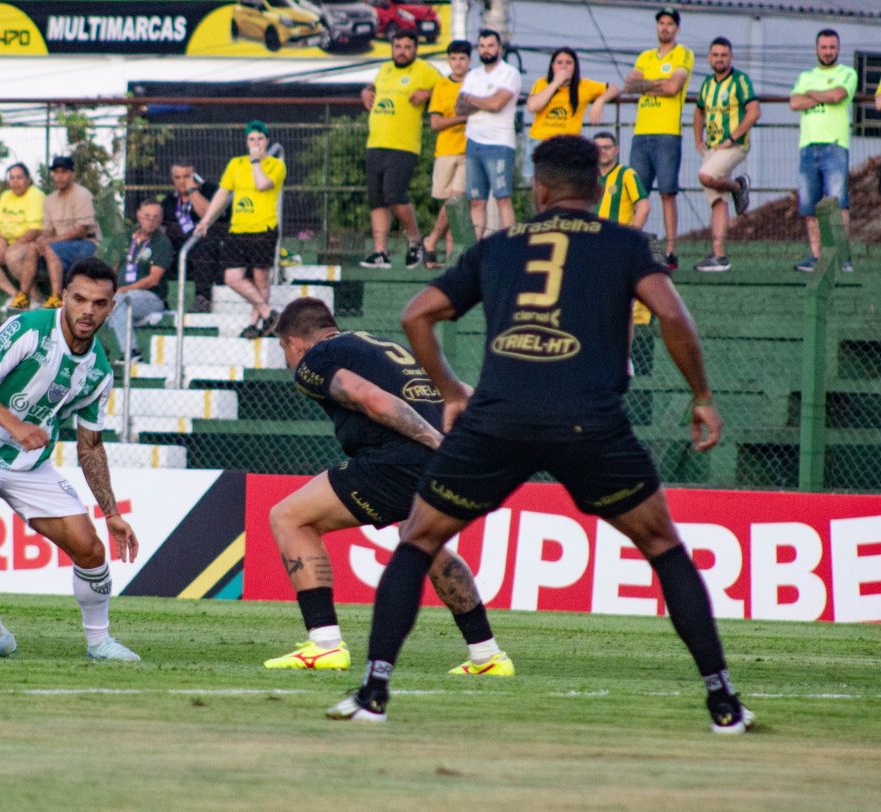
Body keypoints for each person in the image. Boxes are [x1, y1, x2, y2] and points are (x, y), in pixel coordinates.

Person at [328, 135, 755, 737]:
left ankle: (374, 692)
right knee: (662, 544)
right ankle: (724, 703)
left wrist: (452, 392)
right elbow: (673, 316)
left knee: (419, 539)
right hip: (589, 422)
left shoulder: (499, 245)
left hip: (497, 419)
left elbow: (416, 314)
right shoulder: (625, 243)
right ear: (599, 189)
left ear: (541, 188)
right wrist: (703, 398)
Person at [267, 297, 514, 677]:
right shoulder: (380, 346)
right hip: (441, 462)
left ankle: (325, 644)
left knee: (289, 517)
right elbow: (460, 390)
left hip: (401, 459)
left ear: (293, 342)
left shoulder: (316, 359)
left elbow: (372, 400)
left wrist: (434, 441)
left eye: (284, 350)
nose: (288, 360)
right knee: (421, 540)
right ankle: (487, 655)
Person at [0, 256, 141, 662]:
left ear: (111, 307)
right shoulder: (27, 328)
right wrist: (16, 426)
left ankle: (99, 642)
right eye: (79, 299)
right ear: (64, 296)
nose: (87, 311)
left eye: (99, 303)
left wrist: (111, 512)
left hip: (29, 466)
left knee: (90, 549)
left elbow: (91, 446)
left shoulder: (99, 371)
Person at [194, 120, 285, 338]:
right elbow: (222, 194)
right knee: (232, 277)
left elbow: (263, 184)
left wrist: (256, 161)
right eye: (252, 139)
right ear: (246, 141)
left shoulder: (276, 165)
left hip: (263, 227)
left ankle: (255, 324)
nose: (256, 143)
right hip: (238, 229)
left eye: (260, 139)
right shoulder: (235, 164)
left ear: (267, 141)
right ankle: (267, 313)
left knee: (260, 277)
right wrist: (207, 219)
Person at [359, 30, 441, 269]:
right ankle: (380, 252)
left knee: (394, 194)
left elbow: (448, 88)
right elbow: (372, 85)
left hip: (403, 145)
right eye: (398, 47)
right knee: (377, 200)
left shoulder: (424, 70)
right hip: (375, 143)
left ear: (415, 49)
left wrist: (428, 93)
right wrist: (365, 90)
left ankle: (415, 240)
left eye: (407, 47)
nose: (402, 51)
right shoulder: (385, 69)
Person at [624, 6, 693, 271]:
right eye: (661, 23)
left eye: (669, 23)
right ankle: (630, 243)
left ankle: (671, 250)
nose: (664, 27)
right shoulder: (645, 56)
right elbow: (630, 86)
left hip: (667, 133)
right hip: (641, 132)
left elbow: (674, 87)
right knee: (635, 193)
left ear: (676, 28)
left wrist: (647, 84)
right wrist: (658, 83)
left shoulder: (682, 54)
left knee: (667, 193)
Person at [789, 29, 857, 274]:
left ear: (838, 49)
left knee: (838, 204)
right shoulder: (806, 75)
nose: (828, 51)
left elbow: (838, 95)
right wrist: (824, 97)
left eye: (832, 47)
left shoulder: (847, 73)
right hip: (808, 147)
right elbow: (794, 103)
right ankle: (817, 257)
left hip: (835, 146)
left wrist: (811, 95)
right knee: (810, 206)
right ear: (816, 48)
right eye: (824, 47)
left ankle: (842, 258)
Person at [692, 38, 758, 274]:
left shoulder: (740, 80)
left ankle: (738, 186)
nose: (719, 59)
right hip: (711, 147)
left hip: (733, 146)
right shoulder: (707, 84)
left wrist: (732, 137)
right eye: (715, 55)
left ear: (731, 57)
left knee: (705, 176)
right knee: (718, 201)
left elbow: (753, 112)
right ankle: (720, 256)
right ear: (709, 58)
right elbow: (698, 111)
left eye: (724, 55)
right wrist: (698, 139)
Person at [456, 29, 522, 236]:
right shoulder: (473, 75)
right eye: (482, 46)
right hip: (473, 142)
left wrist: (473, 99)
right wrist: (484, 100)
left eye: (490, 46)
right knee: (476, 200)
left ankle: (511, 245)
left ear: (500, 49)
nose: (486, 50)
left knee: (503, 198)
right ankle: (476, 250)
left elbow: (497, 104)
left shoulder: (509, 73)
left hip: (499, 144)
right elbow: (459, 108)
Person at [594, 131, 652, 332]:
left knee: (620, 303)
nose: (602, 152)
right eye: (598, 148)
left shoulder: (626, 174)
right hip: (593, 247)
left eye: (607, 147)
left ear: (616, 150)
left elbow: (643, 206)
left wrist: (631, 237)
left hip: (617, 248)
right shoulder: (588, 177)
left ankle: (624, 358)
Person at [421, 39, 471, 270]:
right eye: (454, 59)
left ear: (469, 60)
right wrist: (461, 118)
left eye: (462, 58)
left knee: (456, 198)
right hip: (446, 150)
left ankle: (431, 240)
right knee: (451, 206)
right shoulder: (441, 86)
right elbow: (436, 122)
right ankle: (451, 259)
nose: (458, 63)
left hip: (469, 149)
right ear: (448, 61)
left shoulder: (476, 81)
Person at [31, 154, 101, 310]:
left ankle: (55, 297)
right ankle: (27, 296)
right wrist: (41, 240)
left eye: (64, 171)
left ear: (72, 173)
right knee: (32, 248)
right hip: (61, 244)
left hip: (87, 244)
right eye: (56, 172)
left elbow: (81, 231)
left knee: (50, 248)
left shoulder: (82, 194)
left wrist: (50, 241)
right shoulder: (49, 199)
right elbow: (48, 230)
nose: (59, 176)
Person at [0, 162, 45, 311]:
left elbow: (35, 230)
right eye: (12, 178)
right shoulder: (6, 196)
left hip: (32, 244)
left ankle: (36, 299)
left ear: (28, 179)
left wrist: (9, 248)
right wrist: (1, 246)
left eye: (19, 177)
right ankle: (16, 295)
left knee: (11, 255)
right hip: (8, 245)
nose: (15, 181)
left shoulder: (36, 195)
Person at [109, 199, 173, 364]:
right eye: (147, 216)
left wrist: (124, 290)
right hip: (121, 295)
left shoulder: (162, 243)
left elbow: (154, 279)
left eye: (155, 217)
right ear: (138, 215)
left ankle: (132, 352)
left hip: (150, 298)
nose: (151, 221)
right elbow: (113, 266)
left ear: (161, 219)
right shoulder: (127, 237)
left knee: (120, 301)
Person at [161, 158, 225, 313]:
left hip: (206, 250)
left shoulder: (209, 191)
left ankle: (202, 299)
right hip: (177, 252)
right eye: (178, 177)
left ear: (194, 176)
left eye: (186, 176)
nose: (182, 181)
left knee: (204, 244)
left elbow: (209, 216)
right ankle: (160, 299)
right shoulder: (169, 201)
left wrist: (192, 191)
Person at [526, 47, 620, 143]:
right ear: (553, 66)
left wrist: (600, 101)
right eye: (559, 63)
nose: (564, 66)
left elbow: (614, 88)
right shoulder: (542, 83)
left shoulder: (584, 85)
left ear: (575, 66)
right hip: (540, 140)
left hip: (569, 142)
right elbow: (533, 106)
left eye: (568, 63)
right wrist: (556, 82)